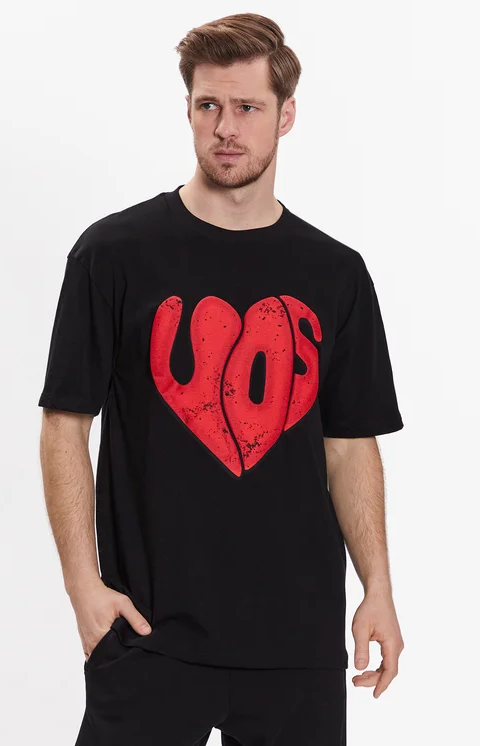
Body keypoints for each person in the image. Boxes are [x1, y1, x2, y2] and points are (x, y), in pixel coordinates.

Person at [38, 12, 405, 746]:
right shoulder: (113, 254)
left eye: (247, 107)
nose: (226, 128)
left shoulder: (335, 273)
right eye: (208, 105)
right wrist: (83, 588)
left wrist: (378, 589)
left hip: (296, 643)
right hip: (147, 633)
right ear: (188, 110)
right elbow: (64, 425)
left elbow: (348, 445)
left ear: (286, 115)